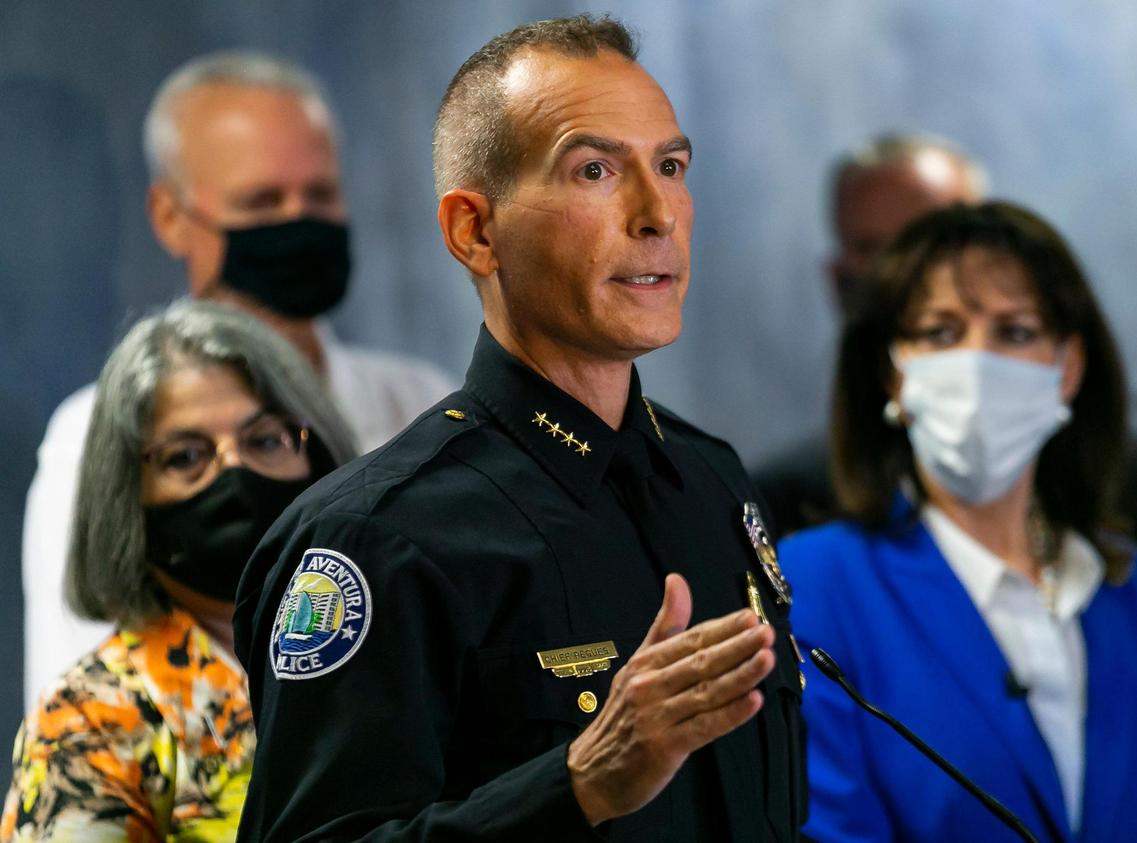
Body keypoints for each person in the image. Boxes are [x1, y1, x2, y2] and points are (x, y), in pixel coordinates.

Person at [233, 15, 806, 842]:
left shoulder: (712, 481)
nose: (657, 215)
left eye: (671, 166)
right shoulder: (377, 538)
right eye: (596, 169)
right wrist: (577, 784)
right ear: (476, 230)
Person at [22, 50, 455, 711]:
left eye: (319, 195)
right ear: (170, 217)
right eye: (261, 202)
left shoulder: (425, 406)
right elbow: (74, 701)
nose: (296, 221)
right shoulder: (96, 433)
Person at [779, 201, 1137, 842]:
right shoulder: (815, 584)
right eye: (940, 333)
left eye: (1017, 331)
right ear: (892, 372)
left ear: (1070, 368)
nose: (977, 364)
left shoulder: (1126, 583)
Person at [2, 300, 356, 841]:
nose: (236, 473)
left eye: (265, 440)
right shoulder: (92, 718)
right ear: (128, 502)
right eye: (186, 457)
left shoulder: (405, 640)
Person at [752, 133, 986, 538]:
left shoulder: (1116, 483)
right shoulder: (782, 508)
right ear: (838, 282)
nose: (905, 271)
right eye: (876, 250)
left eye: (932, 239)